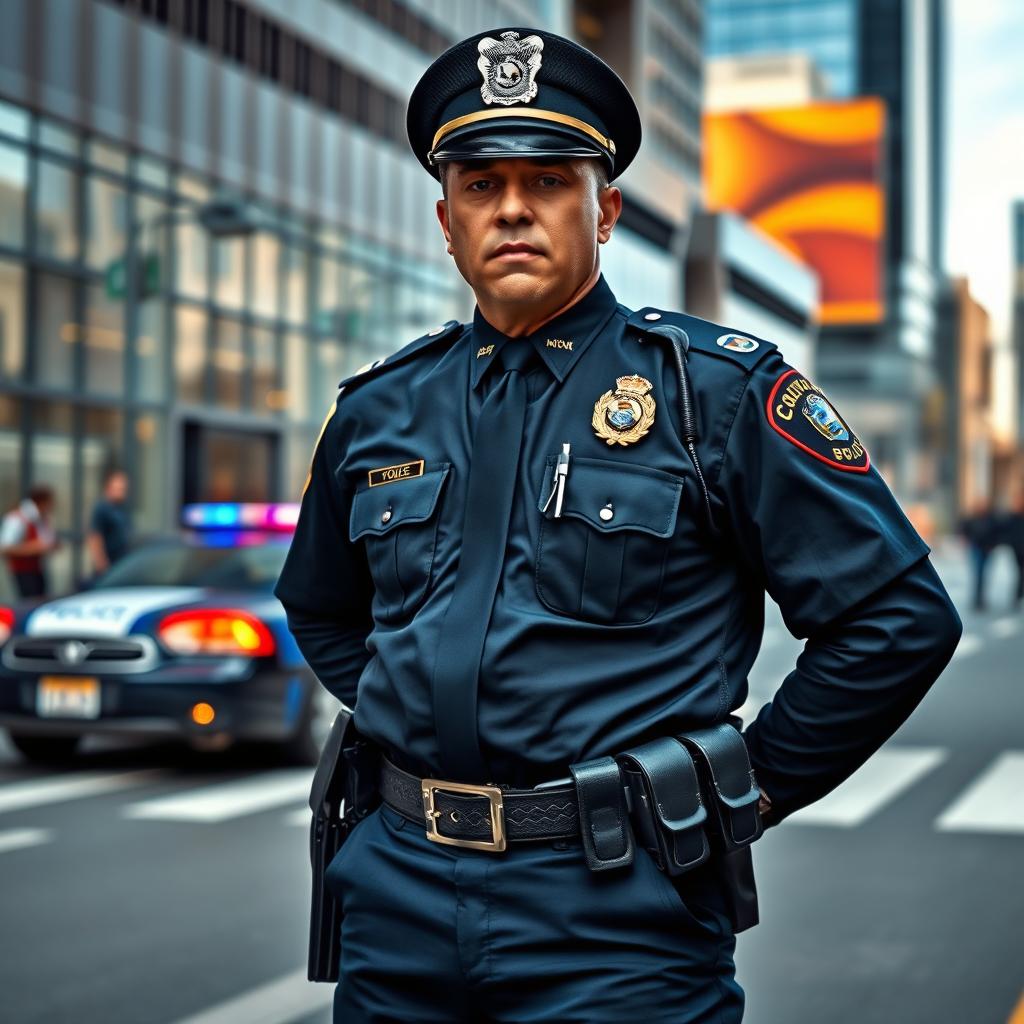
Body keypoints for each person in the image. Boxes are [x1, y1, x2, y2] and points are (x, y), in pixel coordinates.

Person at [275, 26, 962, 1023]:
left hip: (618, 917)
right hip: (397, 901)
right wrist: (410, 711)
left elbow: (897, 618)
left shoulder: (714, 391)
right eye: (479, 183)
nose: (511, 206)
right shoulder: (378, 409)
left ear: (604, 210)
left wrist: (756, 786)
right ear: (445, 218)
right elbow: (324, 609)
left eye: (549, 179)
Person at [0, 484, 61, 598]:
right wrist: (33, 548)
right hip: (22, 572)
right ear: (42, 502)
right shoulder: (17, 518)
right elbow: (5, 549)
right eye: (50, 502)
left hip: (38, 569)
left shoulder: (43, 519)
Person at [87, 468, 132, 577]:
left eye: (124, 488)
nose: (123, 491)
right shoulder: (102, 508)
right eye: (119, 488)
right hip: (109, 568)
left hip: (120, 565)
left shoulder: (121, 508)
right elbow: (94, 537)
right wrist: (102, 565)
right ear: (109, 488)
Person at [958, 498, 997, 611]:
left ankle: (981, 598)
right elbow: (963, 529)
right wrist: (966, 540)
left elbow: (996, 533)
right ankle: (977, 599)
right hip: (976, 548)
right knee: (977, 574)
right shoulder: (971, 518)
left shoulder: (990, 519)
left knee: (984, 574)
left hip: (987, 549)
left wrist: (993, 545)